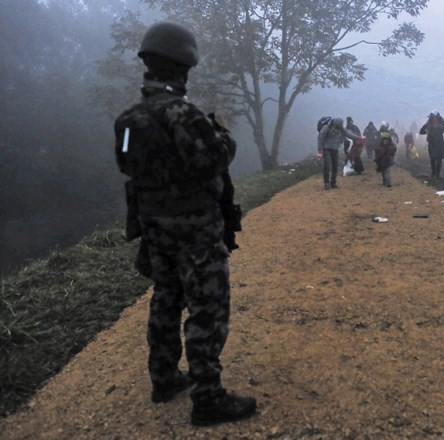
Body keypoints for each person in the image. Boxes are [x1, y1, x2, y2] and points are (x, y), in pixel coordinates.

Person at [113, 22, 256, 426]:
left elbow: (125, 162)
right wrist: (223, 134)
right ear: (184, 65)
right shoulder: (184, 114)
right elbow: (211, 158)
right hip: (194, 226)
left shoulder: (127, 120)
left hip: (154, 225)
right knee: (207, 308)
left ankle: (163, 379)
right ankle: (208, 398)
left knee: (166, 298)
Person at [318, 116, 363, 190]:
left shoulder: (341, 129)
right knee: (327, 166)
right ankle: (326, 183)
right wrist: (320, 149)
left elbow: (349, 135)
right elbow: (321, 138)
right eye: (341, 123)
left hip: (335, 149)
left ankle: (333, 182)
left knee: (335, 166)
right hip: (326, 149)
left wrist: (359, 138)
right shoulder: (326, 128)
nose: (342, 125)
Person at [419, 110, 444, 179]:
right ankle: (433, 173)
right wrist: (426, 126)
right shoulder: (429, 125)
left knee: (439, 160)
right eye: (432, 118)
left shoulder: (441, 126)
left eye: (435, 118)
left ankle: (437, 175)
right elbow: (421, 131)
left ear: (437, 118)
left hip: (440, 144)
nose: (434, 119)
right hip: (432, 145)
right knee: (432, 159)